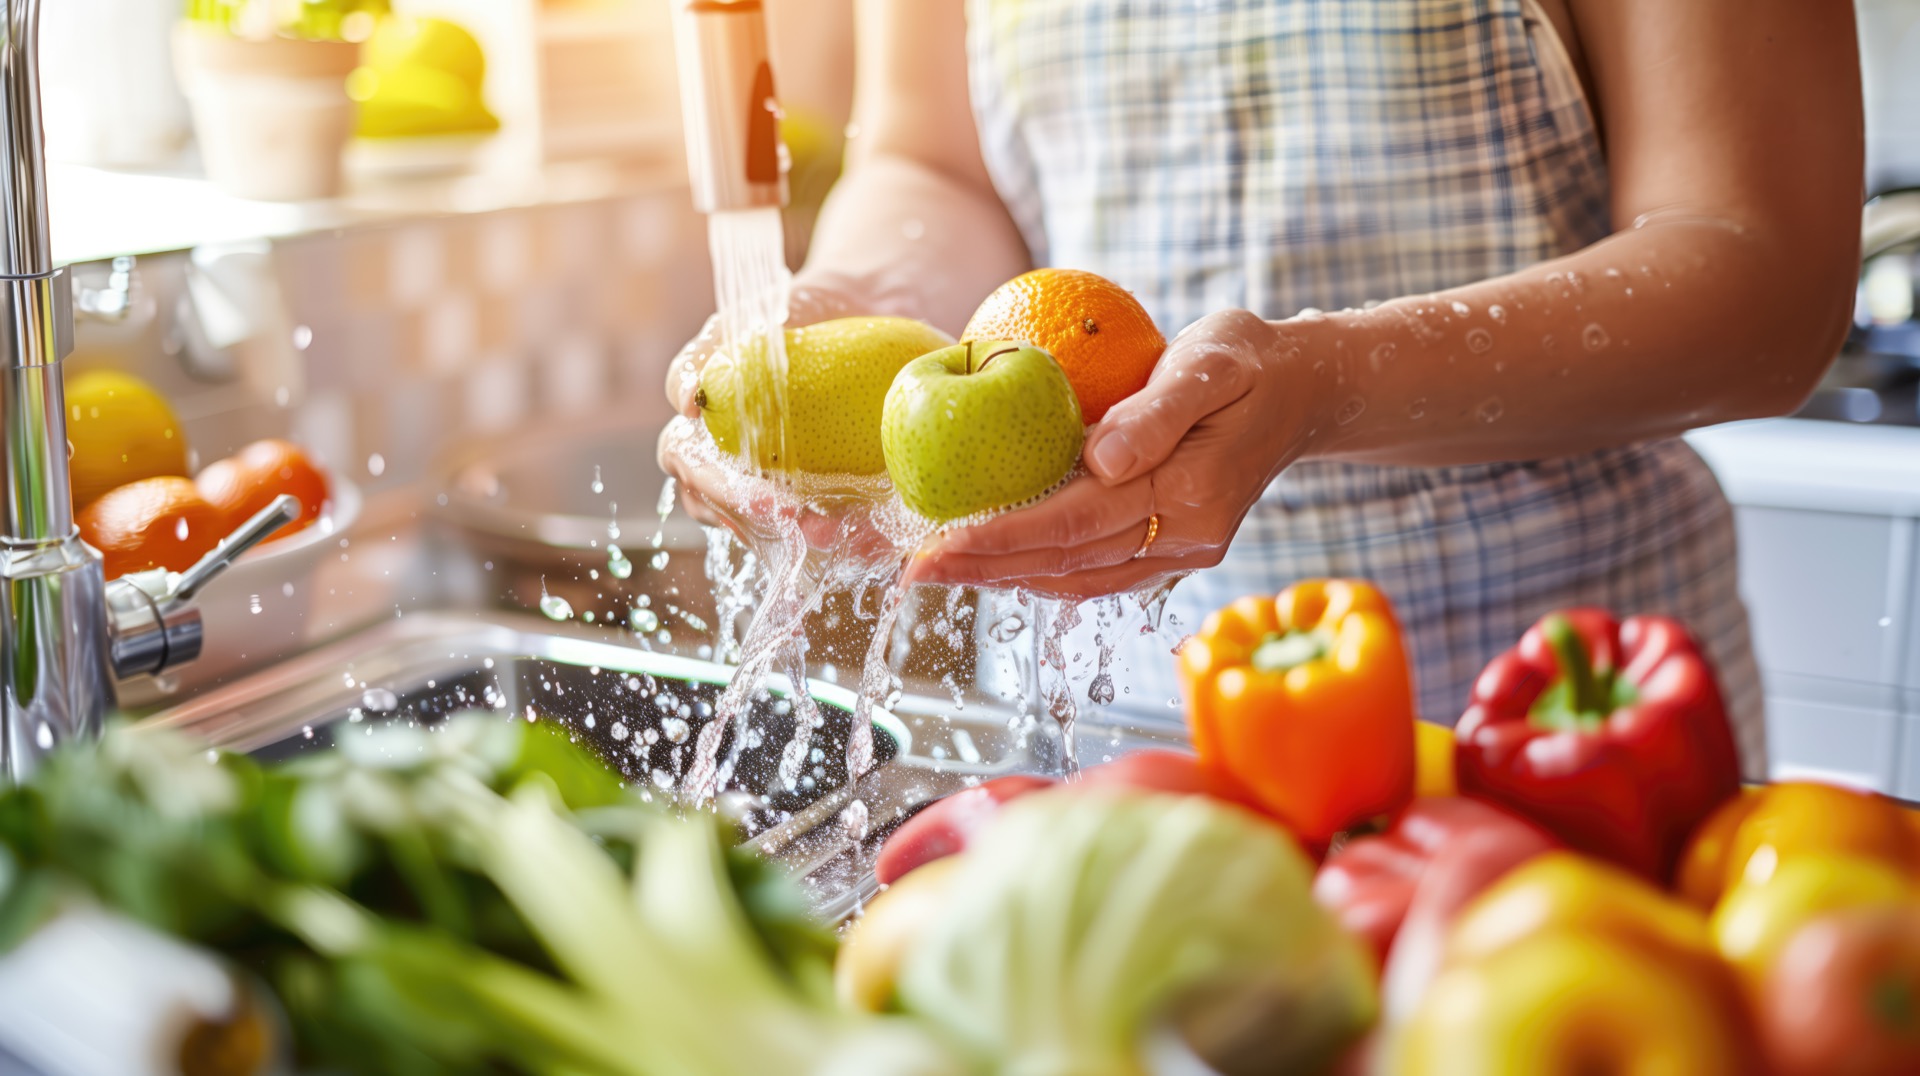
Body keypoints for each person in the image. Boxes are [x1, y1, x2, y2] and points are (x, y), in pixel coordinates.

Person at [661, 0, 1862, 776]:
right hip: (1108, 727)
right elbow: (933, 163)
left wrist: (1322, 385)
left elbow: (1767, 275)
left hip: (1565, 729)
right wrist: (858, 289)